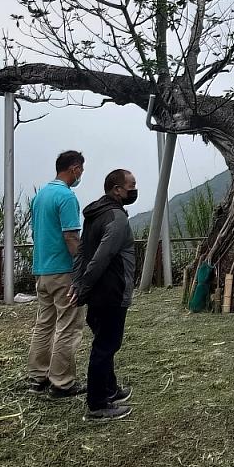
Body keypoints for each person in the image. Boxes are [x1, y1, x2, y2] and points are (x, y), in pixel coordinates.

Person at [71, 169, 139, 421]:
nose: (134, 189)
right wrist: (83, 286)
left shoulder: (94, 215)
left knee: (105, 342)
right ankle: (98, 403)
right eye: (131, 185)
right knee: (106, 346)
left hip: (99, 291)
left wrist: (79, 283)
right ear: (117, 189)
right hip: (111, 290)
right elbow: (101, 257)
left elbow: (82, 252)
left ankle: (110, 389)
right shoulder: (116, 217)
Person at [27, 150, 87, 398]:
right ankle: (61, 382)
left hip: (42, 271)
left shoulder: (40, 196)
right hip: (64, 271)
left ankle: (37, 376)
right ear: (74, 169)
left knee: (44, 324)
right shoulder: (66, 196)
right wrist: (82, 264)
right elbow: (71, 236)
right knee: (69, 325)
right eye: (81, 169)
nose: (81, 174)